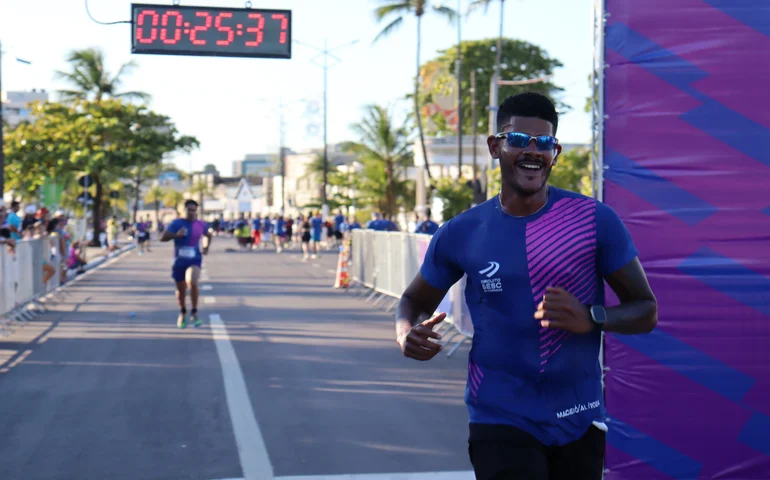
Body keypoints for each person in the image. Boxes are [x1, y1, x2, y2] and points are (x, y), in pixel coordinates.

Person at [394, 92, 658, 480]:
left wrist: (591, 317)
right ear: (496, 146)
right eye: (519, 140)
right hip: (499, 416)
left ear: (556, 153)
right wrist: (405, 333)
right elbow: (414, 299)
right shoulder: (462, 231)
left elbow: (645, 310)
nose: (532, 151)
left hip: (577, 417)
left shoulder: (595, 221)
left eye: (545, 143)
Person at [161, 200, 212, 329]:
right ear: (184, 210)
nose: (192, 212)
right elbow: (163, 237)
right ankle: (183, 311)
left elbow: (208, 235)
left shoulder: (200, 224)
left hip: (194, 260)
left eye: (194, 210)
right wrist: (176, 235)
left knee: (192, 281)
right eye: (189, 210)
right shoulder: (177, 223)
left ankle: (194, 311)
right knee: (181, 290)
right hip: (179, 261)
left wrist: (206, 247)